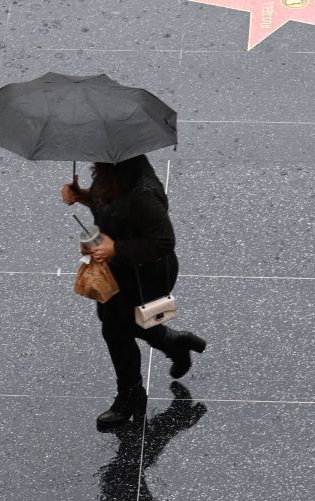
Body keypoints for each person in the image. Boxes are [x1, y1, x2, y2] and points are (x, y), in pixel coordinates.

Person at [61, 155, 207, 431]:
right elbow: (111, 204)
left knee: (118, 330)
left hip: (146, 275)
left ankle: (130, 395)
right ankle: (174, 343)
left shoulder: (142, 192)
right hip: (118, 271)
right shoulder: (110, 171)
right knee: (122, 325)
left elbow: (163, 241)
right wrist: (81, 195)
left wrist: (117, 249)